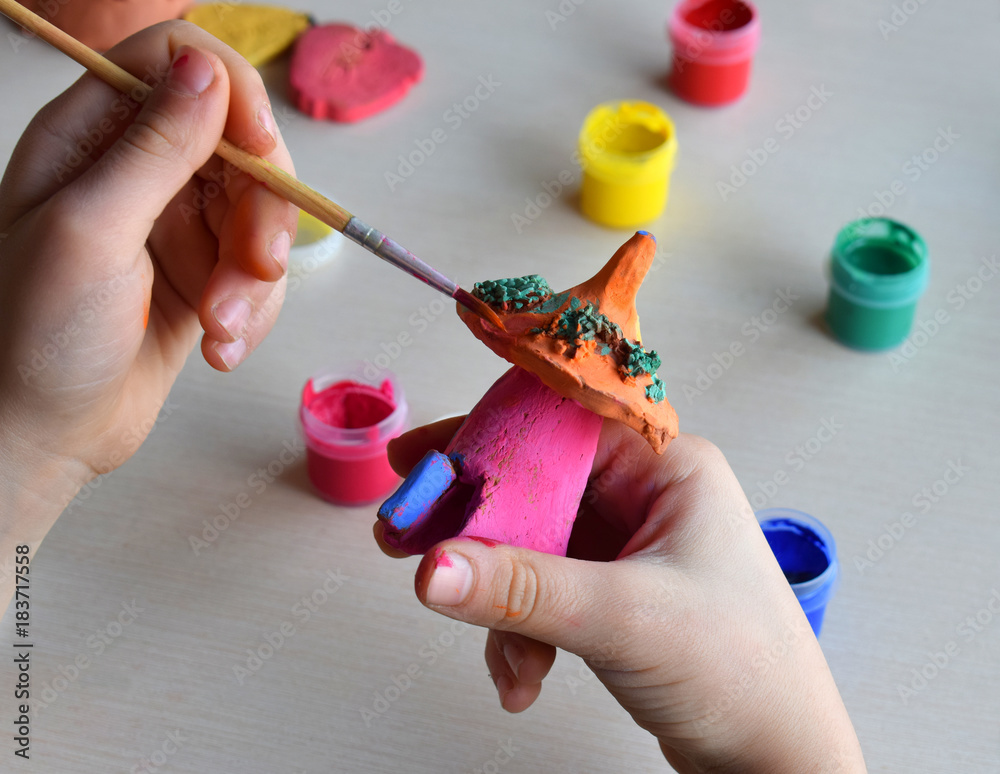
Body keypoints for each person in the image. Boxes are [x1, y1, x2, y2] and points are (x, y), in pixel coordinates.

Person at [0, 22, 867, 773]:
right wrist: (33, 434)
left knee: (445, 490)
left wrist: (32, 441)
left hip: (515, 511)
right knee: (434, 487)